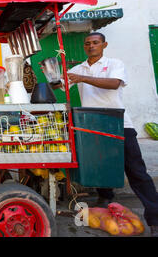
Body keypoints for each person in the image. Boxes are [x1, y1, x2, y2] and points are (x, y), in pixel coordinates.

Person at [53, 32, 158, 236]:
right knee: (100, 165)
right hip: (92, 124)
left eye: (95, 43)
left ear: (104, 44)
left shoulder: (114, 64)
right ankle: (105, 198)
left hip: (118, 123)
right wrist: (52, 77)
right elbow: (60, 84)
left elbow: (114, 83)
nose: (91, 46)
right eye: (88, 43)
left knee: (136, 171)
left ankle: (154, 219)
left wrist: (82, 78)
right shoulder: (79, 68)